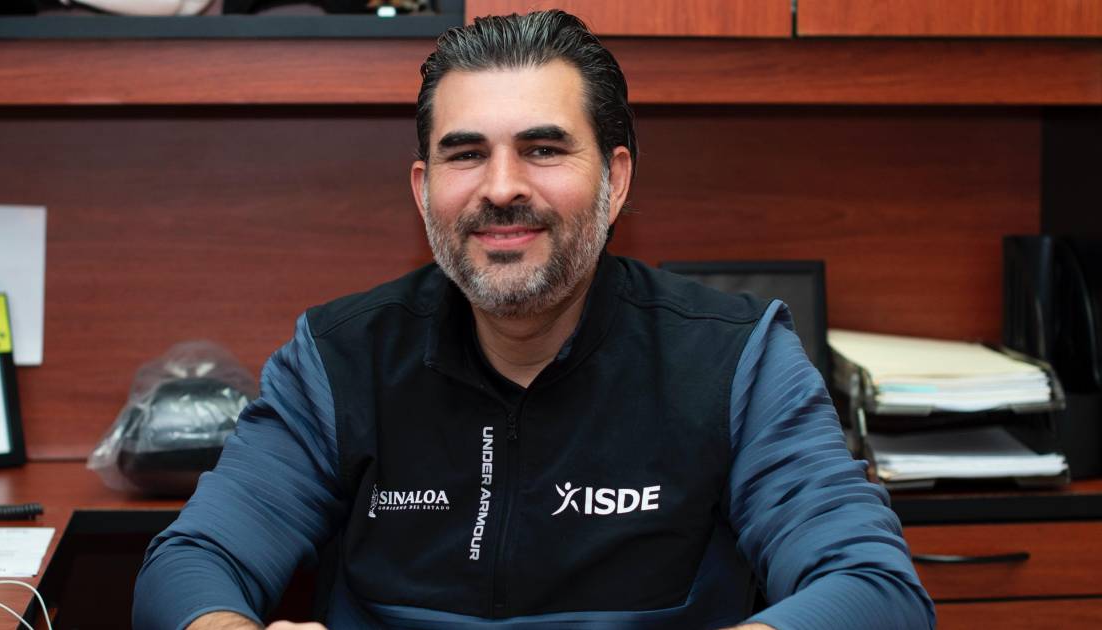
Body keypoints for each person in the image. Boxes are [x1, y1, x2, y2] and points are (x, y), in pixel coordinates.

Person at [134, 11, 934, 630]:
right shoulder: (337, 358)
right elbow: (192, 561)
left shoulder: (735, 359)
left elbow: (874, 589)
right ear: (422, 189)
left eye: (543, 149)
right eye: (465, 154)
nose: (501, 187)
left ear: (615, 181)